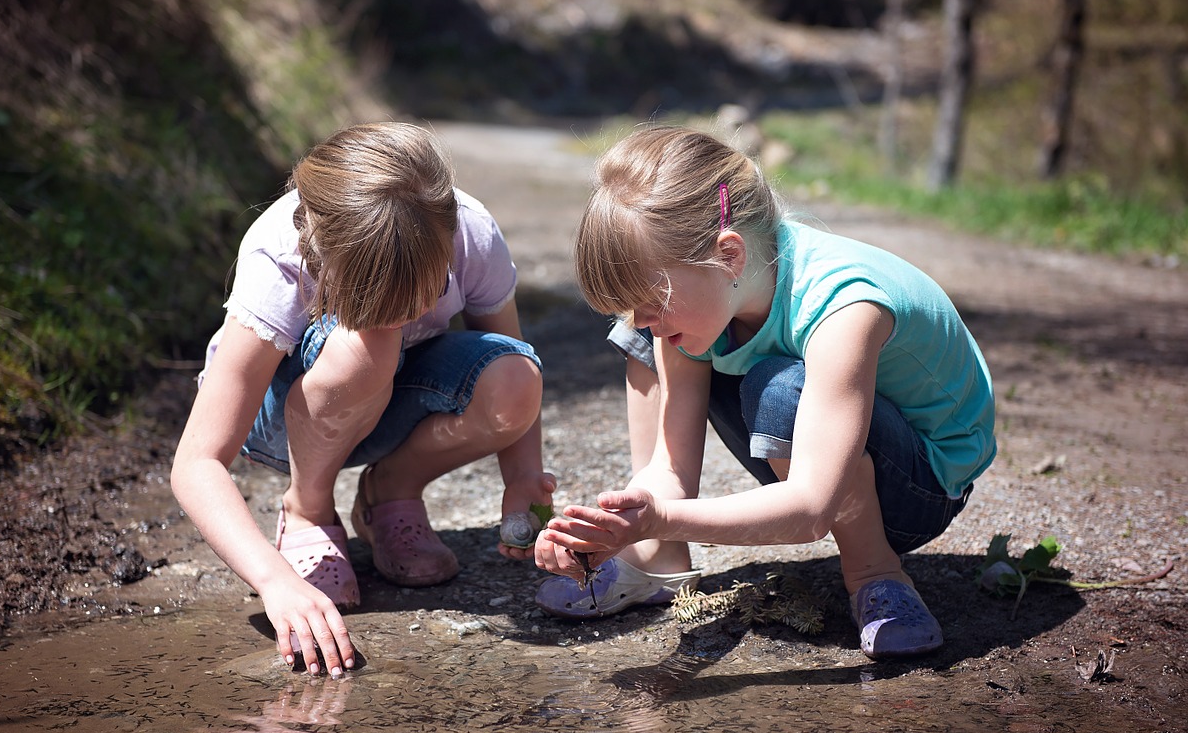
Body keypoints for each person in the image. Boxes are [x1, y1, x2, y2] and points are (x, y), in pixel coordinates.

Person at [533, 125, 996, 659]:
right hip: (824, 449)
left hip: (920, 486)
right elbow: (671, 471)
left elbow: (810, 510)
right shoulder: (708, 297)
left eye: (652, 298)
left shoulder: (843, 306)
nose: (643, 320)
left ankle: (875, 573)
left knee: (779, 390)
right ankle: (657, 560)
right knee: (661, 341)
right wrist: (606, 529)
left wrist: (662, 516)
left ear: (728, 255)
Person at [171, 122, 555, 677]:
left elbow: (508, 349)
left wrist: (524, 477)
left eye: (419, 296)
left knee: (517, 377)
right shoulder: (279, 255)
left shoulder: (468, 228)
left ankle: (389, 493)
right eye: (382, 301)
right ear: (321, 258)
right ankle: (308, 509)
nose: (406, 315)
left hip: (391, 402)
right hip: (283, 417)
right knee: (369, 346)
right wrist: (275, 580)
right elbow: (196, 462)